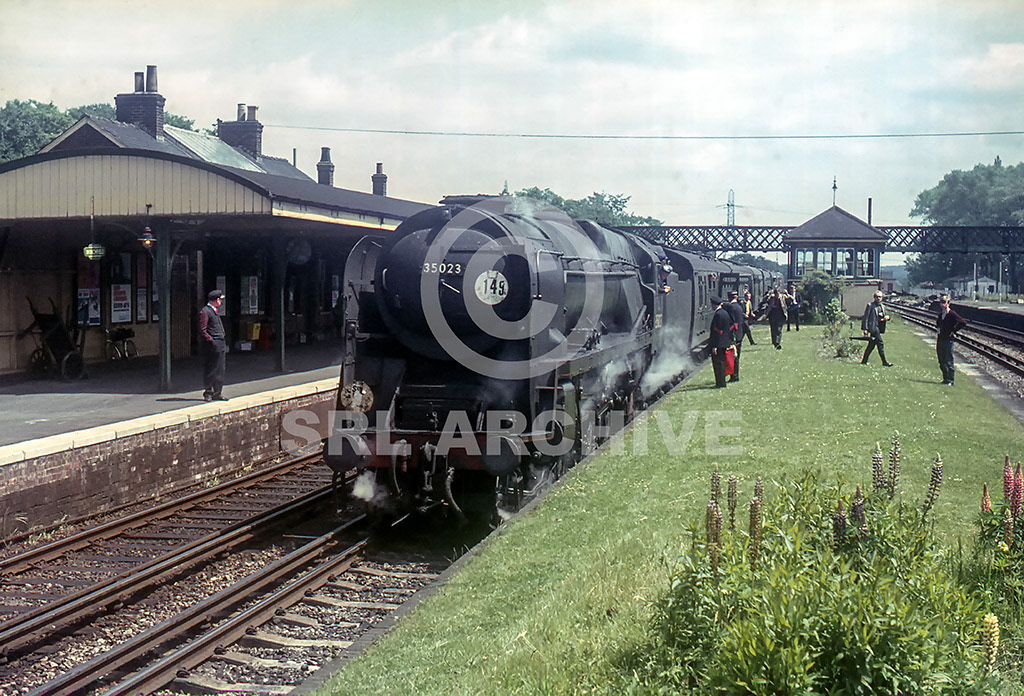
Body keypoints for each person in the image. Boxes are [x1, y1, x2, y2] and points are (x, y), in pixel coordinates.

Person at [198, 289, 229, 401]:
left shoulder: (214, 311)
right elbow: (203, 330)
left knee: (220, 369)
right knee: (211, 368)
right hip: (212, 344)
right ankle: (208, 392)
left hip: (220, 343)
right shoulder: (205, 312)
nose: (221, 302)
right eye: (220, 299)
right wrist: (211, 341)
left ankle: (217, 392)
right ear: (216, 300)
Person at [936, 293, 967, 385]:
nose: (942, 305)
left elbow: (963, 322)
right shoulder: (940, 314)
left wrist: (953, 330)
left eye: (944, 302)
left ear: (948, 303)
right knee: (941, 360)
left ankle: (950, 380)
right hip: (940, 338)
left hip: (948, 340)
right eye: (941, 302)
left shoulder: (952, 314)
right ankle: (945, 378)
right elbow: (938, 324)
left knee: (948, 359)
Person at [860, 290, 893, 367]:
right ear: (874, 297)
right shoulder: (870, 306)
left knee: (871, 345)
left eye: (880, 297)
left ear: (882, 298)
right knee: (880, 344)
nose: (878, 298)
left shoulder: (882, 306)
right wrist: (865, 329)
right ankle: (884, 362)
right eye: (877, 297)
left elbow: (883, 316)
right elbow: (866, 318)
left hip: (879, 327)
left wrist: (887, 318)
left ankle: (864, 361)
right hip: (873, 327)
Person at [709, 295, 733, 388]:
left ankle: (720, 383)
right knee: (721, 363)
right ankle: (721, 382)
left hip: (719, 344)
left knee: (718, 364)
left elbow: (718, 332)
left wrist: (715, 346)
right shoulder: (724, 313)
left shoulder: (718, 314)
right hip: (724, 342)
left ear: (714, 305)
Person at [726, 291, 744, 382]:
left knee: (732, 356)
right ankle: (735, 375)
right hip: (739, 334)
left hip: (733, 335)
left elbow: (730, 322)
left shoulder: (730, 308)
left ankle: (734, 376)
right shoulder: (739, 307)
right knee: (737, 356)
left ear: (729, 298)